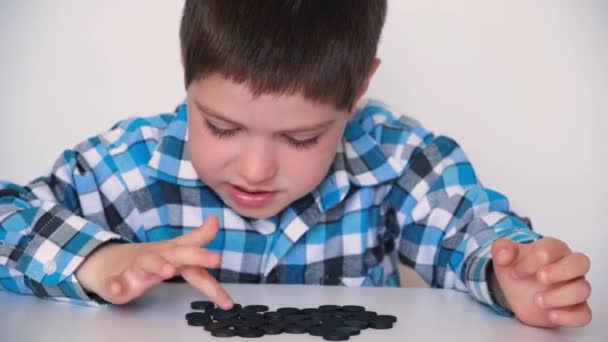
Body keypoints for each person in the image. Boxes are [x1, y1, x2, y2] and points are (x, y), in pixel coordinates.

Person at [0, 0, 591, 328]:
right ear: (186, 67)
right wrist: (100, 258)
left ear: (359, 88)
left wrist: (505, 270)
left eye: (302, 137)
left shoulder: (396, 158)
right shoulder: (126, 168)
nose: (255, 169)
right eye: (222, 127)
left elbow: (469, 230)